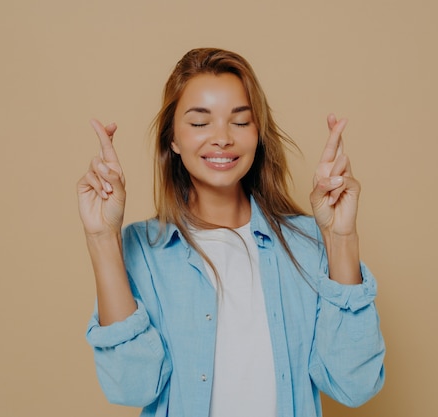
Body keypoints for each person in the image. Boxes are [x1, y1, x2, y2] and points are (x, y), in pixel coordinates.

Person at [77, 48, 385, 417]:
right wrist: (101, 239)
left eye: (240, 122)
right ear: (172, 139)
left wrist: (341, 238)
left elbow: (355, 384)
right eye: (199, 123)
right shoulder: (143, 249)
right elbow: (132, 387)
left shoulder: (307, 243)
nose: (222, 138)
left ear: (258, 135)